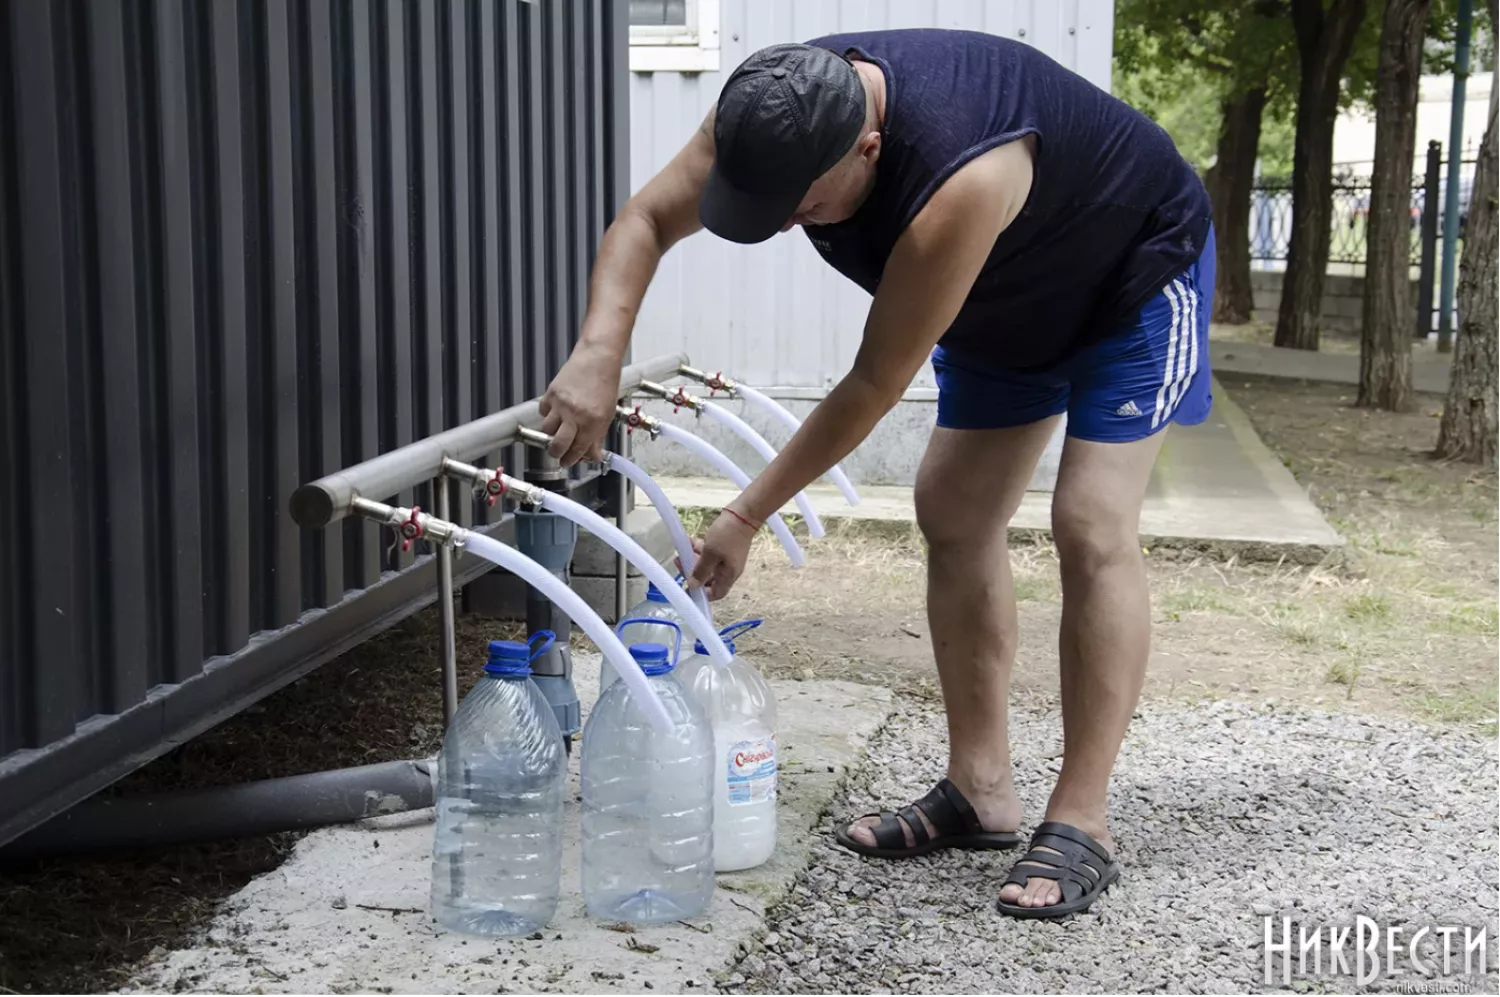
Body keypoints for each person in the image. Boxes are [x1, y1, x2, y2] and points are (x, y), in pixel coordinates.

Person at [538, 28, 1215, 919]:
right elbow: (647, 218)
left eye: (800, 204)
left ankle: (1083, 816)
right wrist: (597, 349)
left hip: (1129, 276)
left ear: (866, 146)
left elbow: (870, 384)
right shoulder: (767, 109)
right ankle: (980, 791)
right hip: (1003, 294)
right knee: (953, 509)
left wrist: (745, 514)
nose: (781, 221)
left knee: (1088, 520)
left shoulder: (962, 176)